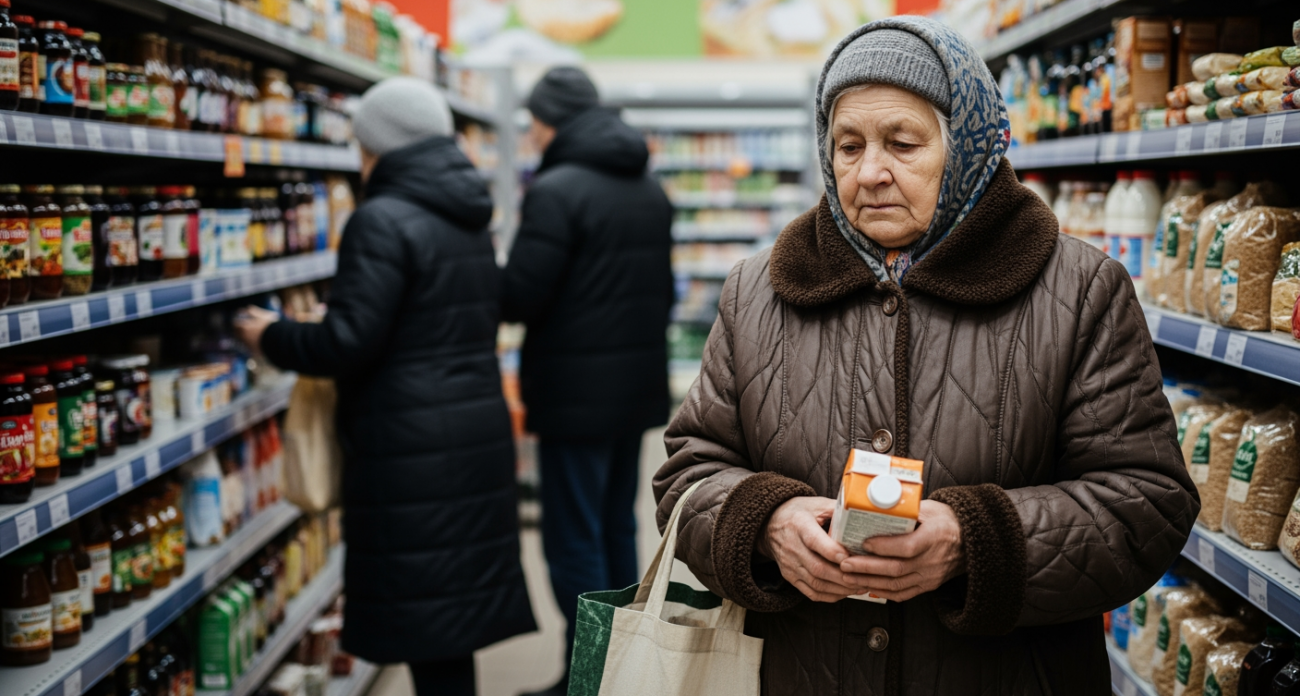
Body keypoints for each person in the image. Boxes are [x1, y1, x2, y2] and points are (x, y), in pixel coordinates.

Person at [653, 16, 1197, 695]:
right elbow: (688, 474)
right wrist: (764, 524)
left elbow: (1146, 503)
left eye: (902, 143)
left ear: (965, 145)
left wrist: (976, 542)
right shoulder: (756, 291)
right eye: (848, 146)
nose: (871, 172)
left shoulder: (1079, 289)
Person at [233, 76, 535, 696]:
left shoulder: (380, 219)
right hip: (468, 432)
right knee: (448, 624)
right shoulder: (468, 215)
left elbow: (348, 343)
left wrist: (273, 335)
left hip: (410, 448)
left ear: (376, 145)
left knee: (428, 622)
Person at [501, 66, 674, 696]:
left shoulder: (556, 189)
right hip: (632, 389)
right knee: (613, 525)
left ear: (549, 121)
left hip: (573, 395)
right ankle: (618, 667)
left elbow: (520, 294)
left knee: (573, 537)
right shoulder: (649, 188)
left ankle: (586, 675)